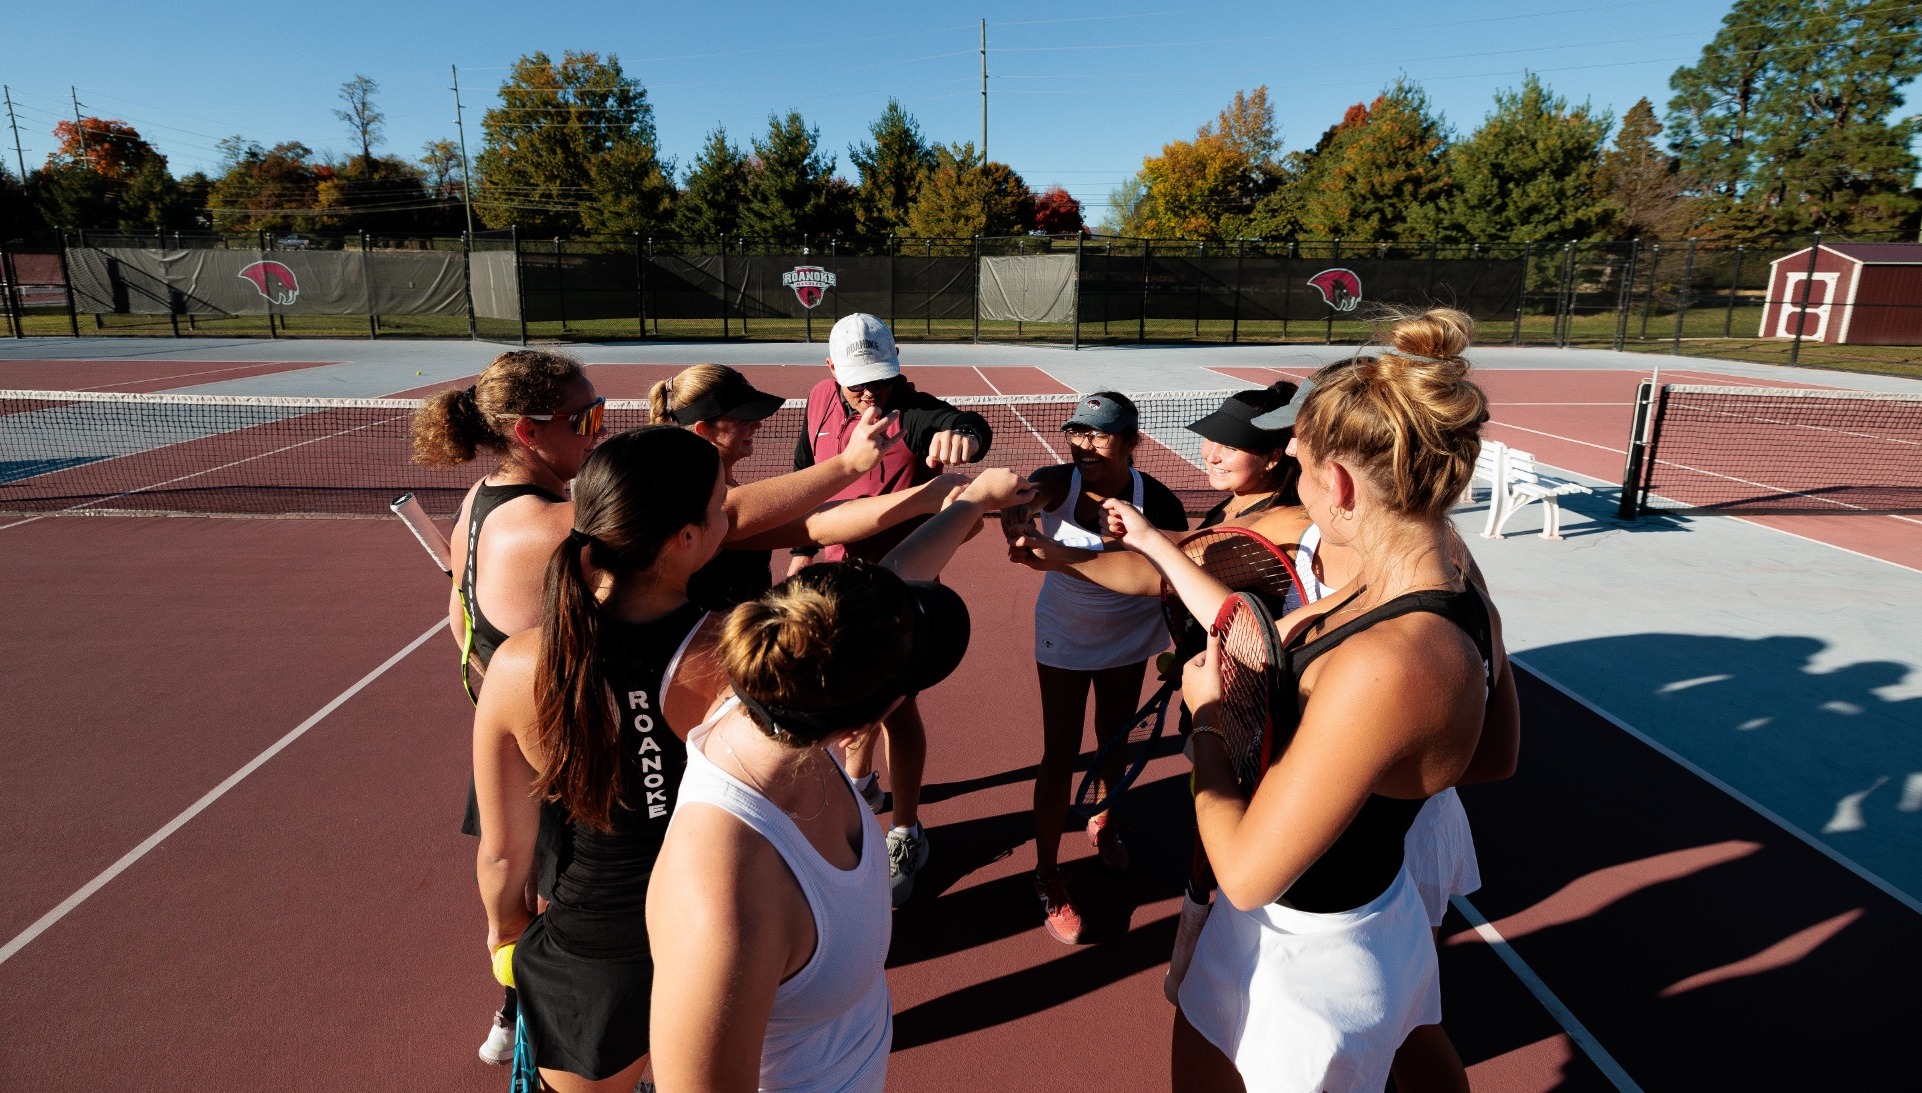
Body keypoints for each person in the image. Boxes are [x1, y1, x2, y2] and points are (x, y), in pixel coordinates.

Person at [1104, 308, 1515, 1092]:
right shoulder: (1455, 587)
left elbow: (1247, 873)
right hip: (1378, 910)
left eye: (1299, 466)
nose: (1293, 482)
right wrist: (1374, 767)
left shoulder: (1384, 663)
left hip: (1302, 957)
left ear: (1341, 484)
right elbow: (1494, 756)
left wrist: (1207, 721)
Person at [647, 473, 1032, 1093]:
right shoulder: (725, 894)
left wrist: (974, 502)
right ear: (866, 724)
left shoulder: (776, 684)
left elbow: (901, 571)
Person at [470, 425, 734, 1093]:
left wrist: (507, 933)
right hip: (716, 926)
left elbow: (503, 854)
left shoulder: (518, 664)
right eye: (720, 505)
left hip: (591, 946)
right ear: (685, 538)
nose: (728, 515)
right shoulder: (741, 651)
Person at [410, 348, 606, 1064]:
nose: (599, 429)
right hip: (561, 744)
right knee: (579, 910)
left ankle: (512, 1011)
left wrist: (495, 696)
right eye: (586, 418)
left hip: (510, 728)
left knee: (517, 881)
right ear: (528, 431)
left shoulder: (479, 499)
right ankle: (568, 1052)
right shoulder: (552, 524)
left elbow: (457, 618)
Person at [789, 313, 995, 904]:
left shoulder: (913, 413)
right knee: (845, 696)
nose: (871, 393)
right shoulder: (818, 400)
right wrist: (801, 557)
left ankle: (906, 830)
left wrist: (966, 437)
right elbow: (806, 475)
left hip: (898, 588)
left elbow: (962, 424)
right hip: (830, 584)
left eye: (881, 377)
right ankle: (861, 785)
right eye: (858, 382)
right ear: (831, 369)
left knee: (897, 709)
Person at [1002, 392, 1189, 943]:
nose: (1083, 445)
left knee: (1114, 739)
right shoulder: (1057, 482)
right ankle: (1047, 874)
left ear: (1131, 443)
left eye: (1098, 434)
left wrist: (1184, 647)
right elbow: (1031, 495)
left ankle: (1104, 822)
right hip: (1064, 632)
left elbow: (1175, 573)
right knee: (1060, 751)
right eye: (1077, 432)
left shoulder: (1157, 501)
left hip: (1128, 635)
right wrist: (1017, 514)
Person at [648, 363, 969, 611]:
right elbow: (811, 525)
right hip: (706, 656)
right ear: (704, 430)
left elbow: (816, 522)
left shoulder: (722, 485)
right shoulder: (699, 501)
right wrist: (850, 463)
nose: (757, 424)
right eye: (742, 418)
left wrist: (927, 496)